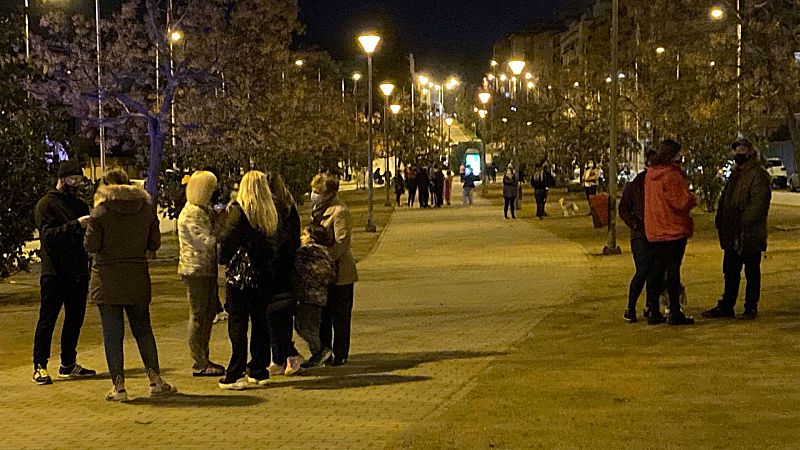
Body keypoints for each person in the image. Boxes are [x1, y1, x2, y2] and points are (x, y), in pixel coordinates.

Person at [84, 168, 176, 401]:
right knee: (143, 330)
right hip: (136, 276)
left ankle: (119, 387)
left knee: (113, 334)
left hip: (106, 280)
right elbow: (154, 243)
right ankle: (155, 380)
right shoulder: (145, 210)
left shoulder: (100, 212)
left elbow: (92, 246)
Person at [32, 159, 96, 385]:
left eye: (78, 179)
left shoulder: (78, 204)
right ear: (61, 179)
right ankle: (39, 365)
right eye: (72, 179)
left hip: (78, 271)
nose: (76, 183)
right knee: (47, 319)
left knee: (74, 319)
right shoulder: (46, 205)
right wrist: (76, 225)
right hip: (55, 273)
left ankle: (68, 363)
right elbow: (48, 236)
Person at [218, 170, 278, 390]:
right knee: (260, 322)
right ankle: (259, 369)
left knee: (238, 322)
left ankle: (236, 372)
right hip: (263, 275)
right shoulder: (269, 213)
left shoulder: (238, 211)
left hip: (241, 277)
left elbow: (227, 242)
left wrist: (222, 258)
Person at [702, 139, 771, 319]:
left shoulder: (758, 175)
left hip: (749, 234)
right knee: (730, 271)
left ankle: (750, 306)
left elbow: (758, 205)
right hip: (732, 233)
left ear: (750, 152)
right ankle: (727, 304)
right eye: (736, 150)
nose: (738, 153)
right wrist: (722, 220)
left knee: (751, 271)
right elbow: (726, 199)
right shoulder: (735, 174)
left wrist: (741, 223)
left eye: (741, 150)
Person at [177, 171, 226, 377]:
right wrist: (223, 232)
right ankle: (199, 362)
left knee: (208, 314)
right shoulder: (191, 214)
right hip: (195, 269)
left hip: (206, 268)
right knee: (198, 316)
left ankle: (204, 357)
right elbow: (206, 241)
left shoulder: (202, 210)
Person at [643, 140, 696, 326]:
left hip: (655, 228)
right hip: (673, 228)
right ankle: (674, 310)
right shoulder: (671, 175)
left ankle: (652, 309)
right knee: (673, 270)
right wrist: (691, 198)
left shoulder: (651, 174)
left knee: (656, 270)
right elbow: (679, 202)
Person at [311, 173, 358, 366]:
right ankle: (324, 351)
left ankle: (340, 353)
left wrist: (323, 258)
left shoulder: (340, 211)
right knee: (323, 316)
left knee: (340, 316)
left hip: (340, 273)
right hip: (323, 274)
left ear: (329, 192)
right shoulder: (318, 210)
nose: (313, 195)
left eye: (317, 191)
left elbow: (341, 244)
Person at [265, 173, 303, 377]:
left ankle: (288, 353)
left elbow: (283, 239)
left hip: (279, 265)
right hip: (283, 264)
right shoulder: (288, 206)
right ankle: (280, 356)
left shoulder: (280, 208)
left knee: (276, 312)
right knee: (278, 313)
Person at [619, 151, 655, 323]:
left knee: (655, 271)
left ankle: (650, 306)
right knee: (643, 270)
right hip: (640, 235)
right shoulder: (635, 185)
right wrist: (635, 224)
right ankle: (631, 307)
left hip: (658, 233)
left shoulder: (659, 183)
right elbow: (624, 209)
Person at [294, 225, 337, 369]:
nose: (301, 238)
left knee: (304, 326)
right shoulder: (325, 253)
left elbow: (300, 269)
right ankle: (318, 354)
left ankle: (319, 352)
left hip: (308, 296)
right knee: (310, 325)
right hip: (319, 297)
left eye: (304, 235)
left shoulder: (306, 253)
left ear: (312, 238)